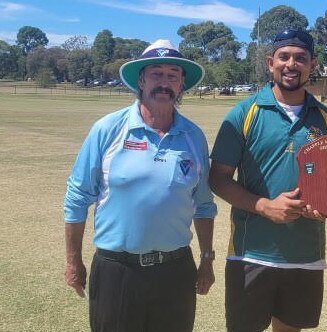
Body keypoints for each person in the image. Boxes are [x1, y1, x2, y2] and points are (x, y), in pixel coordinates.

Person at [63, 39, 217, 332]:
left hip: (175, 271)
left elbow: (204, 204)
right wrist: (73, 262)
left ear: (181, 84)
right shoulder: (108, 129)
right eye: (156, 74)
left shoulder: (193, 136)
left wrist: (207, 260)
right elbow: (77, 198)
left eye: (173, 75)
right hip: (117, 271)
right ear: (141, 79)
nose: (164, 82)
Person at [208, 29, 327, 332]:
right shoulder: (244, 113)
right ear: (271, 62)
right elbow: (217, 178)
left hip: (304, 255)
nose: (291, 64)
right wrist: (264, 206)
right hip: (251, 253)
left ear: (313, 64)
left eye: (301, 58)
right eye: (284, 57)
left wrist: (324, 208)